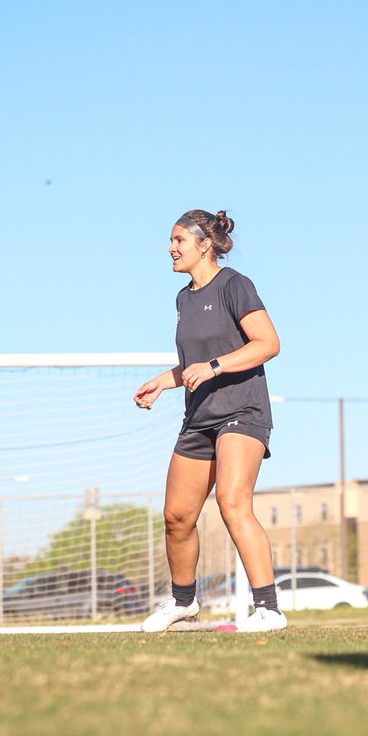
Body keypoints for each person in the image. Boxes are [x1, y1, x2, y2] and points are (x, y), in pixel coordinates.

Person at [133, 210, 284, 633]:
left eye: (178, 240)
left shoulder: (236, 285)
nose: (171, 248)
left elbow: (268, 344)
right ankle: (183, 603)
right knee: (177, 516)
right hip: (199, 417)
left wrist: (215, 366)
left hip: (242, 412)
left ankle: (269, 609)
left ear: (205, 245)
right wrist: (164, 381)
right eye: (171, 240)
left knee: (233, 502)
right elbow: (193, 366)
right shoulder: (183, 298)